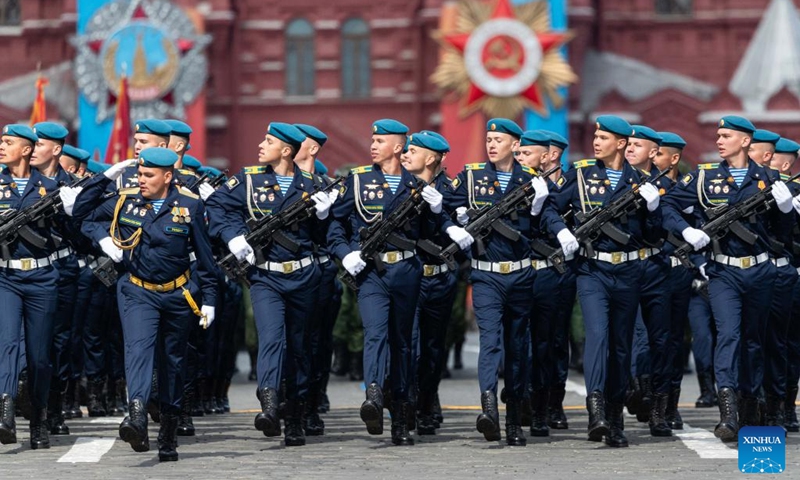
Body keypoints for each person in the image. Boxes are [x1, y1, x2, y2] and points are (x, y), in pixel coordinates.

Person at [68, 147, 218, 461]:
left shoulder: (189, 206)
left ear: (168, 175)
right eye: (139, 173)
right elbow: (82, 212)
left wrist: (211, 301)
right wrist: (105, 181)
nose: (142, 179)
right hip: (136, 291)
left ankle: (168, 434)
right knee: (138, 350)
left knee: (173, 364)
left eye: (149, 175)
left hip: (178, 295)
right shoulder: (126, 198)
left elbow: (205, 260)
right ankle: (136, 415)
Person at [328, 119, 467, 446]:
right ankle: (374, 396)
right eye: (372, 139)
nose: (373, 145)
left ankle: (401, 417)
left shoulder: (417, 187)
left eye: (380, 140)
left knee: (404, 343)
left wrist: (440, 214)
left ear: (397, 146)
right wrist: (345, 253)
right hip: (372, 272)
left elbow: (432, 229)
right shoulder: (359, 181)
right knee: (375, 333)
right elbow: (335, 225)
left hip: (407, 272)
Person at [661, 115, 792, 442]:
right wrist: (687, 230)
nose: (719, 140)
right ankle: (729, 413)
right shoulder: (704, 178)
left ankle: (751, 407)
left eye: (727, 135)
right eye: (718, 135)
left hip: (761, 271)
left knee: (753, 340)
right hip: (723, 272)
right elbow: (667, 207)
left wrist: (786, 209)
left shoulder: (769, 178)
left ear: (746, 141)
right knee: (730, 335)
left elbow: (783, 235)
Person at [206, 122, 334, 447]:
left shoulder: (313, 184)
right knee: (272, 338)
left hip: (304, 276)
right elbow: (219, 206)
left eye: (269, 141)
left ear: (287, 151)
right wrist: (234, 236)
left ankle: (296, 417)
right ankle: (269, 402)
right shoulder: (249, 180)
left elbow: (327, 238)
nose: (261, 145)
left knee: (301, 348)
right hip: (265, 276)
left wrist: (323, 217)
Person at [541, 115, 663, 448]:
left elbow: (653, 235)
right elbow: (550, 208)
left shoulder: (640, 181)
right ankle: (595, 410)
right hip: (592, 271)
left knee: (622, 346)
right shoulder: (580, 175)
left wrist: (653, 208)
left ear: (622, 143)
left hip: (628, 272)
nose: (596, 141)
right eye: (595, 135)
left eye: (604, 137)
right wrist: (562, 231)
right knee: (598, 336)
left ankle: (615, 415)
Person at [450, 119, 549, 446]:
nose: (491, 144)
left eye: (498, 140)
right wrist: (457, 219)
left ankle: (514, 419)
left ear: (515, 145)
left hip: (521, 274)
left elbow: (548, 220)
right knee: (490, 340)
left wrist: (540, 205)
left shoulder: (531, 179)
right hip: (486, 273)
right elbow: (444, 203)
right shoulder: (472, 176)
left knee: (518, 347)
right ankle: (489, 407)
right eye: (489, 139)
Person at [401, 131, 471, 435]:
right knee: (409, 345)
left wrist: (446, 212)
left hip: (439, 279)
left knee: (432, 348)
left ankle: (428, 399)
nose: (404, 154)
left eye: (412, 150)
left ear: (431, 158)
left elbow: (463, 237)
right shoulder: (398, 186)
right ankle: (408, 403)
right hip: (407, 278)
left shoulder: (452, 190)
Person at [0, 124, 60, 450]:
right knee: (7, 344)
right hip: (5, 277)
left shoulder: (49, 188)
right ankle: (5, 411)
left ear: (26, 149)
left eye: (8, 142)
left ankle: (39, 418)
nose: (1, 146)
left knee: (38, 358)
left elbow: (69, 233)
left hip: (42, 279)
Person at [293, 123, 342, 435]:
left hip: (322, 273)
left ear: (312, 149)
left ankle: (311, 403)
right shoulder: (269, 183)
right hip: (286, 272)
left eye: (300, 142)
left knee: (317, 344)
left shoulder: (327, 187)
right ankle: (290, 401)